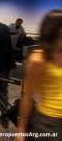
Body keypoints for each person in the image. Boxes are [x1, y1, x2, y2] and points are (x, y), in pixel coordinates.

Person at [14, 10, 62, 141]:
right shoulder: (39, 59)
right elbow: (28, 96)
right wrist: (21, 130)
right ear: (57, 30)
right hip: (49, 122)